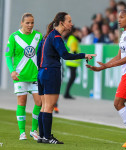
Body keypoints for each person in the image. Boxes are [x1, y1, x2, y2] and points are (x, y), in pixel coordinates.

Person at [37, 12, 96, 144]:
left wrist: (41, 70)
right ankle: (47, 137)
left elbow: (38, 53)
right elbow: (65, 55)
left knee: (44, 106)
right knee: (49, 107)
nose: (71, 23)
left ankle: (42, 136)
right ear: (62, 22)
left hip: (42, 72)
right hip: (51, 72)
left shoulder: (47, 36)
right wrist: (84, 55)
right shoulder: (56, 36)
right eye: (69, 21)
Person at [86, 9, 126, 148]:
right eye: (118, 17)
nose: (119, 19)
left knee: (117, 103)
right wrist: (103, 67)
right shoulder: (124, 34)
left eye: (122, 17)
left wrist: (107, 66)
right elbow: (119, 56)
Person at [5, 13, 42, 140]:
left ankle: (33, 130)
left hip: (35, 76)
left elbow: (43, 51)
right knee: (22, 102)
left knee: (39, 102)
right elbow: (8, 56)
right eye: (27, 23)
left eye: (32, 22)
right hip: (20, 76)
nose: (30, 25)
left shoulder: (38, 36)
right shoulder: (14, 37)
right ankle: (22, 132)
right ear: (21, 23)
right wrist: (12, 71)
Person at [64, 27, 82, 99]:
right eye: (77, 32)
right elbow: (74, 51)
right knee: (72, 77)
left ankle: (67, 93)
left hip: (70, 62)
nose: (78, 33)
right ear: (74, 32)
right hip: (73, 62)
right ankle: (66, 93)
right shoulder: (73, 40)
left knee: (72, 77)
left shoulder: (70, 38)